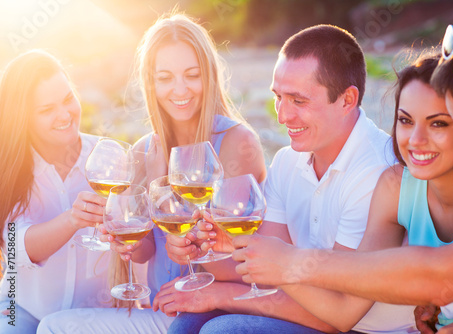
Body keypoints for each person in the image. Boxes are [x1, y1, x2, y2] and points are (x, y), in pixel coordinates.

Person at [232, 8, 453, 333]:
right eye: (404, 120)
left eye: (446, 123)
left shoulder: (375, 167)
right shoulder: (397, 186)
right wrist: (241, 249)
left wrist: (289, 263)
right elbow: (364, 278)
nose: (415, 141)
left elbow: (438, 275)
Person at [158, 24, 418, 334]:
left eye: (298, 101)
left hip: (362, 329)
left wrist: (220, 294)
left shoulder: (377, 172)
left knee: (226, 330)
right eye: (278, 97)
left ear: (347, 100)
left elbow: (340, 314)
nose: (282, 116)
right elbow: (267, 276)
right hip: (307, 311)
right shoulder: (286, 161)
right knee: (185, 324)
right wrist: (208, 252)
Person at [36, 12, 266, 333]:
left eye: (192, 74)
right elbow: (145, 252)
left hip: (208, 314)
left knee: (54, 329)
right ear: (150, 82)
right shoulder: (144, 149)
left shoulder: (236, 142)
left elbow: (245, 258)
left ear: (209, 76)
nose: (180, 89)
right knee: (53, 325)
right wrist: (124, 238)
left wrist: (164, 194)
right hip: (162, 307)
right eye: (165, 77)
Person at [0, 50, 111, 333]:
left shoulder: (107, 158)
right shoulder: (12, 169)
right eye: (47, 110)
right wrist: (72, 220)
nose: (64, 115)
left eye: (67, 99)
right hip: (20, 310)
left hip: (93, 318)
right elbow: (14, 248)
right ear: (23, 118)